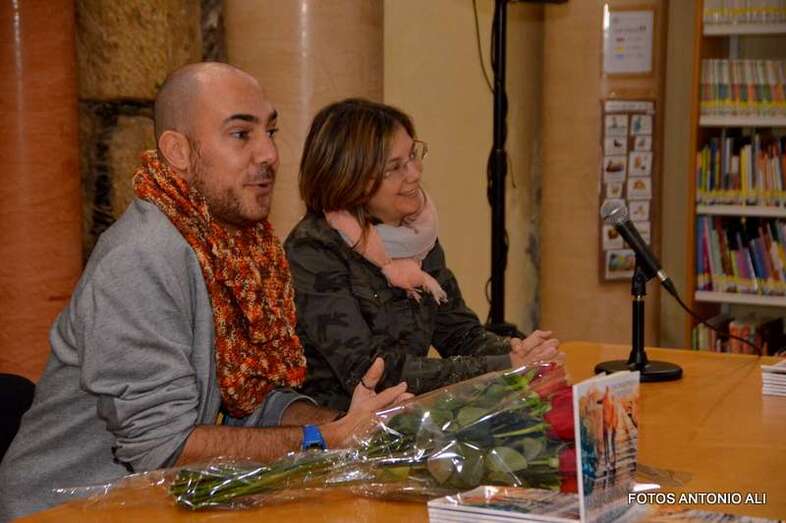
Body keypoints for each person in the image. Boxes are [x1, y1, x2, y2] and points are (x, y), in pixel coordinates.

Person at [0, 64, 409, 520]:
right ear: (177, 150)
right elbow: (165, 447)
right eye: (241, 134)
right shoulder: (142, 256)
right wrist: (322, 442)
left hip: (163, 501)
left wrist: (352, 424)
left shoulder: (237, 245)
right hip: (66, 511)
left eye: (270, 131)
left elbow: (248, 404)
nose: (270, 153)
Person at [284, 98, 561, 411]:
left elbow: (458, 332)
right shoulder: (313, 250)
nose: (415, 173)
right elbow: (372, 372)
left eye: (413, 156)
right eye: (396, 167)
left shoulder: (415, 236)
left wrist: (520, 351)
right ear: (352, 179)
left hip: (411, 417)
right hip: (339, 431)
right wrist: (503, 365)